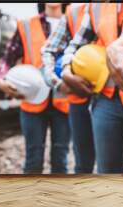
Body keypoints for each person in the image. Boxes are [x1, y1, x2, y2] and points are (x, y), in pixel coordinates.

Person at [61, 3, 123, 173]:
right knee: (108, 175)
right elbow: (76, 44)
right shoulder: (95, 6)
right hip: (106, 99)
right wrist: (66, 68)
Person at [0, 3, 71, 174]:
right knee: (33, 159)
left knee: (61, 160)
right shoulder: (26, 25)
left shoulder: (73, 23)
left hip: (64, 101)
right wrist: (1, 79)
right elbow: (8, 58)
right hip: (33, 100)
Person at [41, 4, 95, 173]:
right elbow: (49, 50)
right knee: (83, 164)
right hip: (79, 99)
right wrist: (59, 82)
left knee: (110, 167)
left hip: (116, 97)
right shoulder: (73, 12)